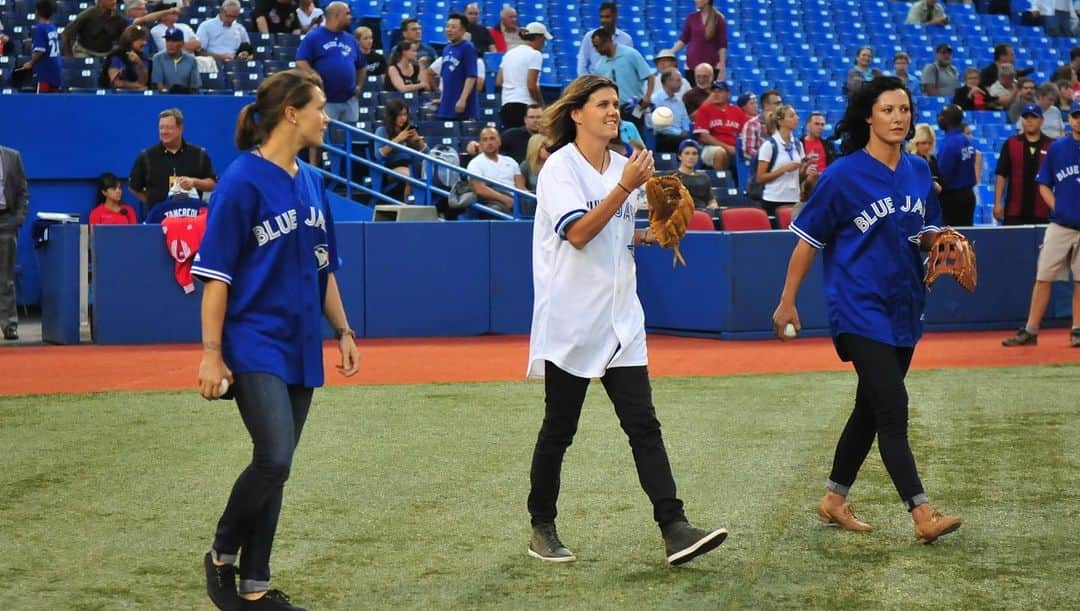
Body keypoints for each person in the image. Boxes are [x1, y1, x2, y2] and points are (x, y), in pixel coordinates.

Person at [526, 74, 727, 566]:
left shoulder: (623, 166)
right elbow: (577, 234)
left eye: (616, 104)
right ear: (577, 113)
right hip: (573, 320)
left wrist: (649, 235)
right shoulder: (560, 169)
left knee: (644, 425)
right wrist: (624, 187)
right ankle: (541, 527)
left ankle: (674, 526)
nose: (614, 112)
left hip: (621, 321)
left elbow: (616, 232)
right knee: (559, 429)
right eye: (603, 104)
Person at [193, 69, 359, 611]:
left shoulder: (312, 182)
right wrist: (211, 354)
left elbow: (323, 267)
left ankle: (256, 583)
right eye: (319, 108)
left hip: (299, 341)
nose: (326, 118)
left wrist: (343, 329)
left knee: (278, 468)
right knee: (274, 457)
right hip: (252, 338)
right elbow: (216, 275)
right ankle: (221, 555)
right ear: (292, 112)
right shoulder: (240, 181)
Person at [772, 76, 962, 545]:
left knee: (870, 409)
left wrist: (941, 241)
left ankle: (834, 499)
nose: (899, 117)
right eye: (888, 110)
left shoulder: (919, 171)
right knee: (893, 407)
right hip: (857, 307)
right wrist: (787, 300)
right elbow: (807, 242)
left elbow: (924, 233)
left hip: (904, 305)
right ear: (867, 117)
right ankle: (922, 514)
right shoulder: (842, 175)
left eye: (904, 109)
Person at [1001, 99, 1080, 348]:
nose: (1079, 120)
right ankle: (1031, 329)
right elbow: (1043, 183)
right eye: (1076, 115)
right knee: (1043, 276)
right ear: (1069, 119)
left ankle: (1077, 329)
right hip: (1061, 225)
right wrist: (1058, 206)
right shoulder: (1058, 148)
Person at [129, 108, 218, 210]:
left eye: (169, 128)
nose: (164, 132)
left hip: (192, 220)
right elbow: (134, 187)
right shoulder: (146, 156)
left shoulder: (199, 154)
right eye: (161, 128)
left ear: (180, 128)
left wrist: (194, 182)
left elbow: (213, 184)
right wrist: (153, 204)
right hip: (159, 221)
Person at [295, 2, 367, 128]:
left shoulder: (350, 39)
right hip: (325, 100)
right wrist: (313, 74)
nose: (351, 17)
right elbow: (301, 61)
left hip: (349, 100)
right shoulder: (314, 36)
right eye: (347, 14)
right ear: (336, 15)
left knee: (350, 140)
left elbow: (362, 65)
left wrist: (359, 86)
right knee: (323, 139)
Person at [994, 103, 1054, 225]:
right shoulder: (1011, 144)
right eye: (1026, 117)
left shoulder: (1052, 145)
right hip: (1014, 212)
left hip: (1043, 212)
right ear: (1022, 121)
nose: (1029, 121)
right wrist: (997, 203)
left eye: (1034, 117)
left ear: (1042, 121)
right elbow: (1001, 175)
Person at [590, 27, 654, 134]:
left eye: (598, 46)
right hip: (613, 110)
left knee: (636, 139)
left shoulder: (630, 54)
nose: (597, 50)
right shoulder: (599, 66)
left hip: (635, 107)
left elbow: (650, 76)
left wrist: (647, 97)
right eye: (595, 47)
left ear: (608, 41)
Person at [756, 105, 814, 217]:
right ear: (781, 121)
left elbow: (798, 177)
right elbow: (760, 178)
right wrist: (784, 169)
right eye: (792, 116)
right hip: (773, 199)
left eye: (796, 115)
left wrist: (806, 169)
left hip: (794, 198)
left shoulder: (798, 144)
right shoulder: (769, 145)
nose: (797, 118)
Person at [497, 22, 551, 129]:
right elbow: (531, 85)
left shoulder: (509, 53)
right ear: (538, 37)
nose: (544, 43)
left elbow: (499, 81)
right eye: (544, 39)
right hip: (525, 104)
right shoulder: (535, 55)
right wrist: (541, 105)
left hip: (506, 104)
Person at [0, 145, 28, 341]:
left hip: (5, 220)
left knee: (5, 278)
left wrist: (18, 219)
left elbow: (22, 191)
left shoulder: (12, 156)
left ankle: (9, 325)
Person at [374, 98, 426, 201]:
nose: (403, 118)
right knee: (412, 175)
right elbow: (378, 155)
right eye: (399, 115)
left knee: (423, 173)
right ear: (392, 116)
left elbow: (427, 153)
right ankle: (408, 206)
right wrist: (398, 139)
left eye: (405, 114)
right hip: (391, 168)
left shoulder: (408, 130)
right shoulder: (381, 131)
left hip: (411, 164)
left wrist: (418, 142)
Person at [466, 126, 525, 214]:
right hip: (492, 201)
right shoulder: (475, 163)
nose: (489, 143)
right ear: (480, 144)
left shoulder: (511, 161)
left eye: (492, 138)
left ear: (499, 141)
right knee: (495, 210)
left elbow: (521, 187)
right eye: (485, 140)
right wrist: (505, 199)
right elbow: (479, 189)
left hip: (514, 199)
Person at [693, 80, 747, 173]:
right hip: (710, 148)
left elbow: (745, 133)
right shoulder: (705, 110)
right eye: (714, 91)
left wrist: (738, 149)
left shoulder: (737, 111)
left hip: (734, 149)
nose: (716, 94)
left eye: (720, 91)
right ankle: (722, 182)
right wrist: (727, 148)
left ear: (728, 94)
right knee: (720, 153)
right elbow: (704, 137)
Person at [936, 104, 977, 226]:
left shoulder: (949, 144)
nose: (939, 119)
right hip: (968, 196)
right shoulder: (966, 140)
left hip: (953, 200)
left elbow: (944, 176)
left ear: (947, 120)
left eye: (942, 117)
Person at [433, 14, 478, 121]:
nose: (449, 30)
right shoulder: (446, 49)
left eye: (453, 27)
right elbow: (446, 77)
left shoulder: (468, 47)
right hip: (446, 105)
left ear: (463, 30)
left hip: (462, 106)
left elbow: (471, 76)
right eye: (447, 26)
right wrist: (442, 98)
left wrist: (462, 99)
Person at [670, 0, 727, 79]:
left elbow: (722, 45)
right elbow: (683, 40)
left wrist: (722, 67)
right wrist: (670, 52)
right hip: (692, 66)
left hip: (711, 67)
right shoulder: (691, 18)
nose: (695, 1)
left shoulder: (719, 18)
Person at [577, 2, 633, 78]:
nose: (603, 20)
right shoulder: (589, 36)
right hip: (595, 83)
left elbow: (629, 65)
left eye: (607, 17)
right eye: (601, 17)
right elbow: (582, 62)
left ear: (615, 16)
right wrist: (587, 84)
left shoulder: (626, 39)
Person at [645, 69, 692, 152]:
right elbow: (655, 125)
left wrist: (685, 131)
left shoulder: (679, 102)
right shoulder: (655, 100)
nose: (681, 83)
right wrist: (678, 133)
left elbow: (685, 120)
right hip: (663, 136)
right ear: (668, 82)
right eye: (678, 80)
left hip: (681, 136)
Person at [61, 0, 127, 57]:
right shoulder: (87, 14)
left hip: (108, 53)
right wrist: (69, 56)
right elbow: (66, 34)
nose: (114, 1)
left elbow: (125, 39)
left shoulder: (120, 18)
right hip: (84, 52)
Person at [22, 1, 63, 93]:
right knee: (54, 102)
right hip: (55, 69)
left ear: (37, 12)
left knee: (41, 103)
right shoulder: (52, 27)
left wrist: (31, 63)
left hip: (44, 72)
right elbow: (48, 42)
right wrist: (33, 40)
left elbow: (40, 51)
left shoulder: (39, 28)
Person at [672, 139, 718, 210]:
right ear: (680, 156)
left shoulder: (704, 177)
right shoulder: (672, 177)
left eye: (694, 153)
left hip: (702, 214)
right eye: (687, 153)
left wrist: (713, 207)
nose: (691, 157)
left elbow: (711, 201)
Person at [152, 27, 201, 93]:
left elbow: (195, 86)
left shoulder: (191, 60)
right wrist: (169, 94)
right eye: (168, 40)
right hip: (164, 98)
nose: (170, 44)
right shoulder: (158, 58)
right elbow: (158, 84)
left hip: (186, 98)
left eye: (174, 41)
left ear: (182, 43)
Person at [101, 24, 150, 90]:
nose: (145, 43)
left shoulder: (142, 57)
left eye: (145, 40)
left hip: (136, 94)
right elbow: (116, 83)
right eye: (141, 40)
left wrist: (139, 63)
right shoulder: (116, 55)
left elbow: (143, 82)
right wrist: (136, 85)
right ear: (130, 40)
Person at [907, 123, 942, 194]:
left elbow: (940, 181)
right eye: (924, 143)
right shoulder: (907, 161)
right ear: (915, 142)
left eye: (930, 143)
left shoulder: (932, 159)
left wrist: (937, 186)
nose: (927, 146)